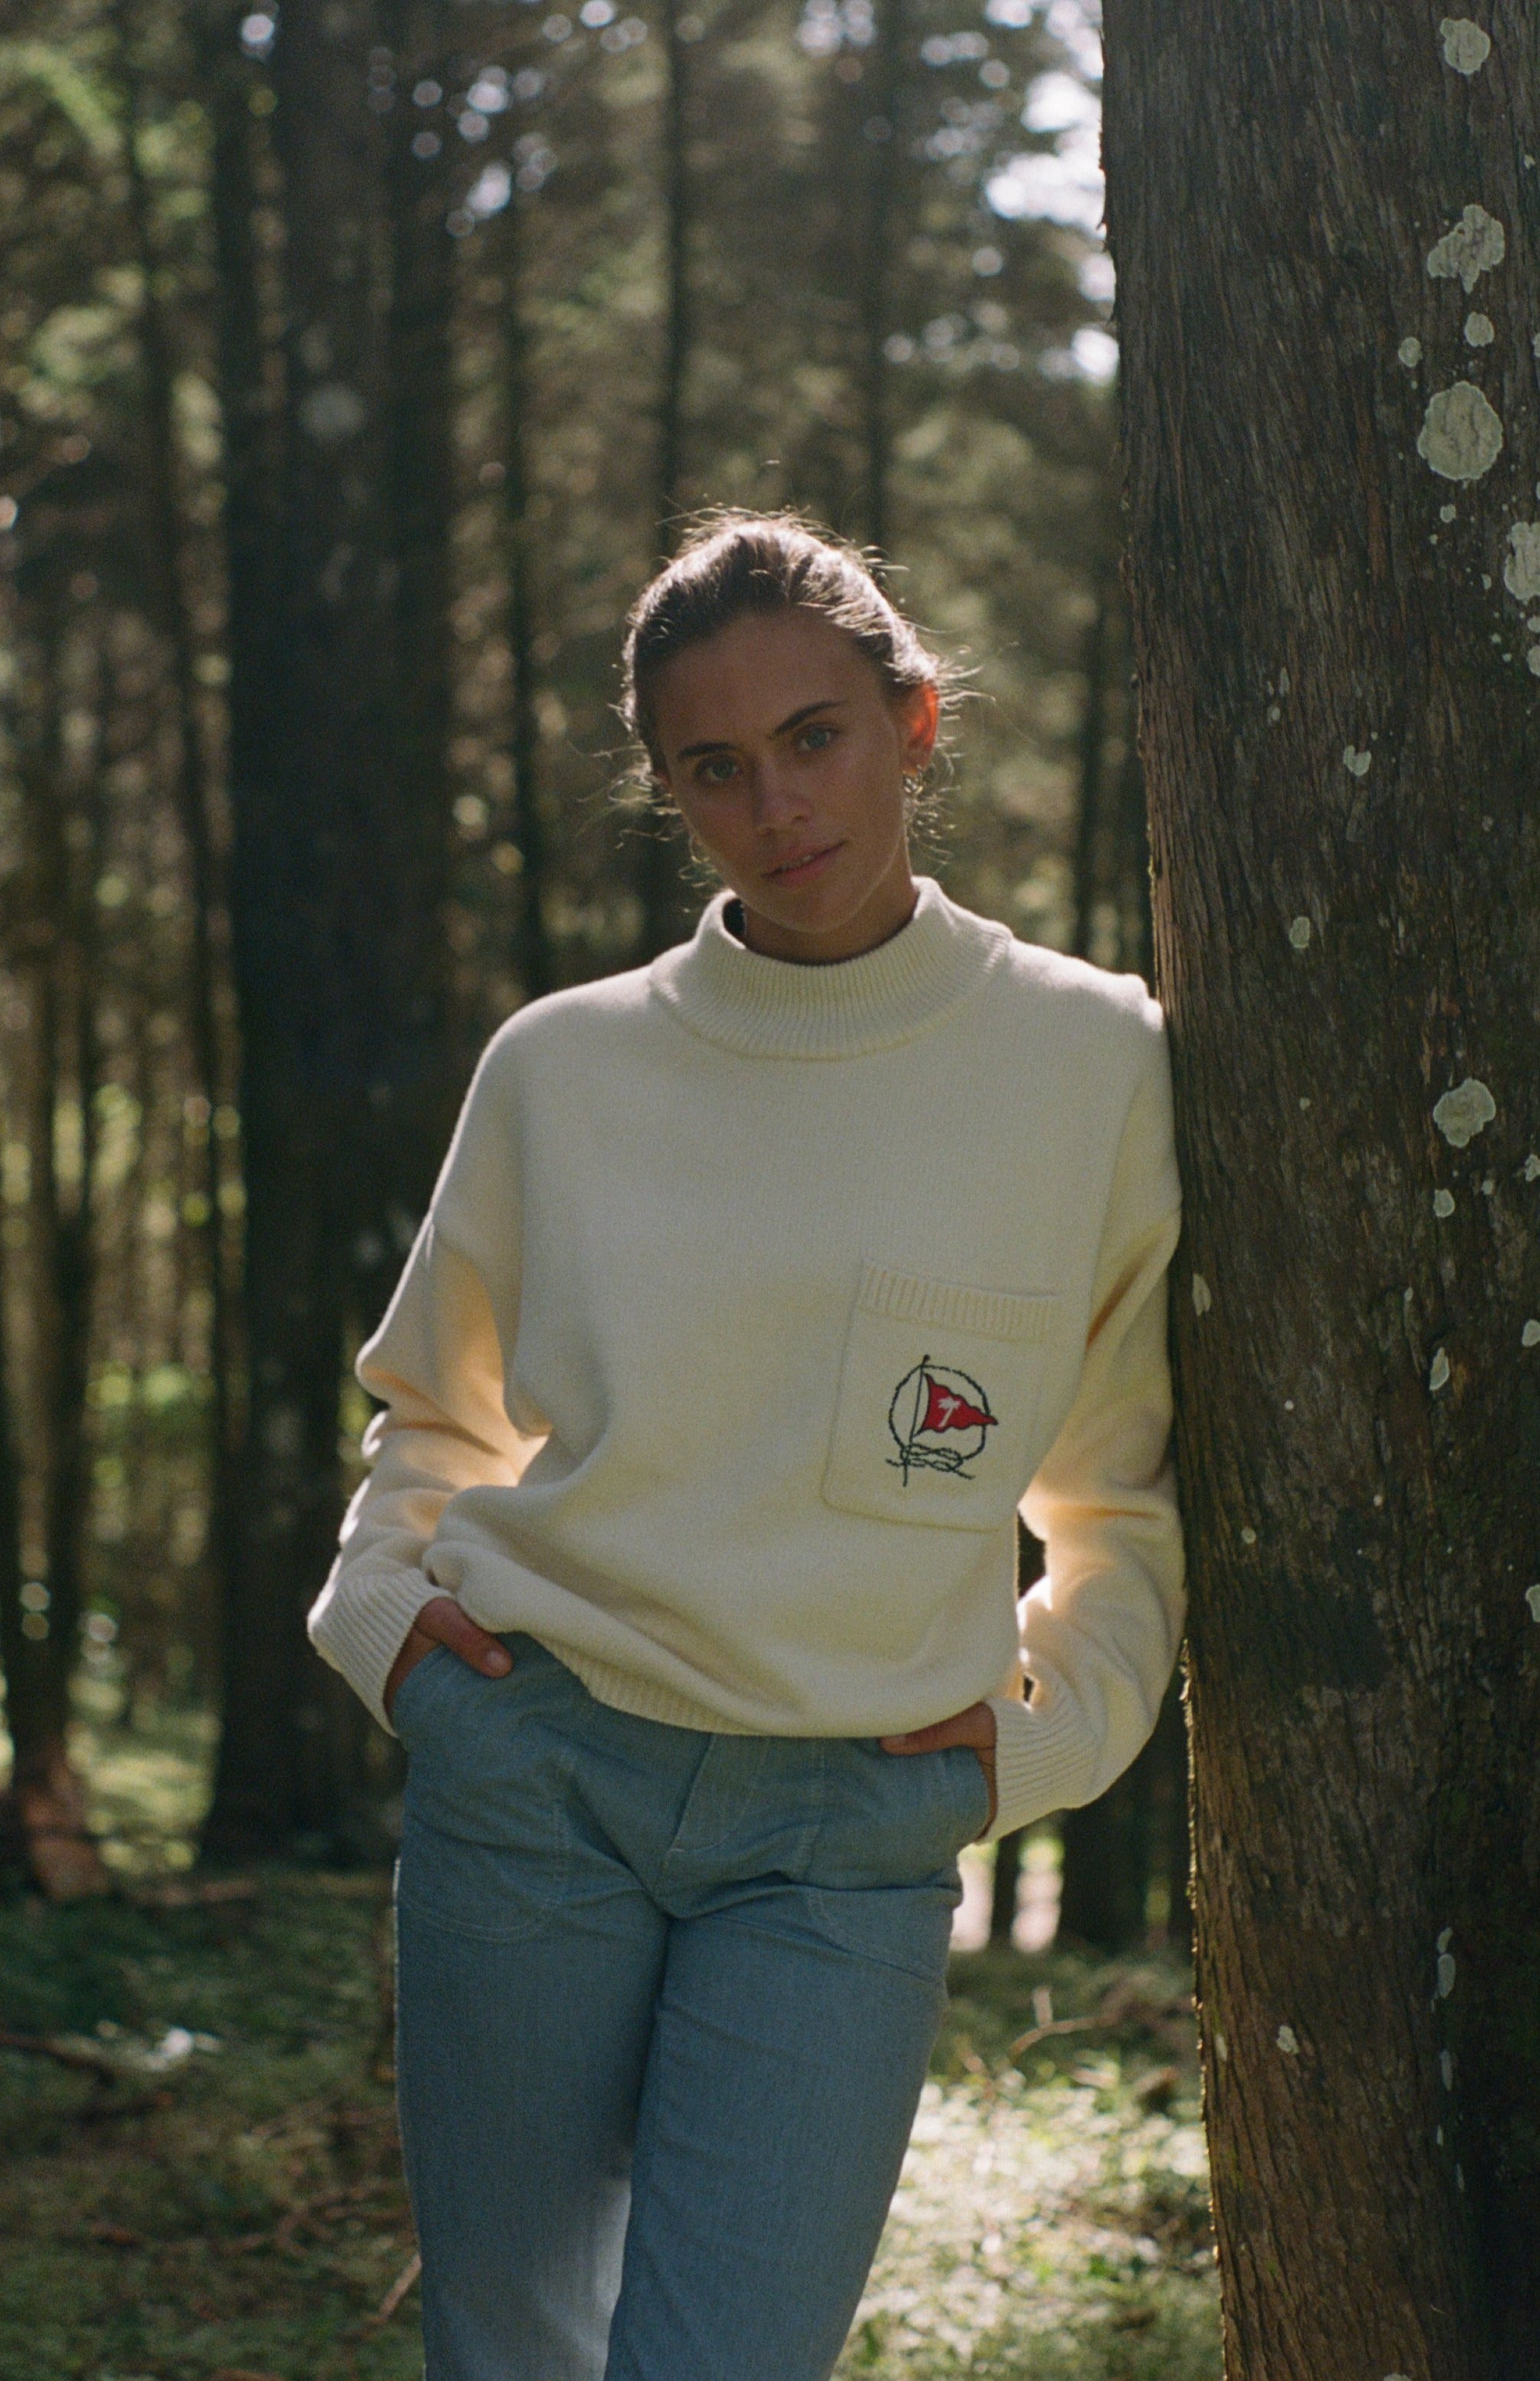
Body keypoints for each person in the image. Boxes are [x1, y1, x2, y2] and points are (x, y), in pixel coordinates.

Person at [308, 513, 1183, 2381]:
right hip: (534, 1772)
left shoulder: (1097, 1062)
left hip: (849, 1824)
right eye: (715, 766)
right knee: (514, 2346)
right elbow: (434, 1416)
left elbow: (1117, 1491)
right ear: (670, 794)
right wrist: (389, 1616)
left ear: (914, 720)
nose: (776, 801)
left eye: (817, 735)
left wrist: (1053, 1730)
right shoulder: (564, 1066)